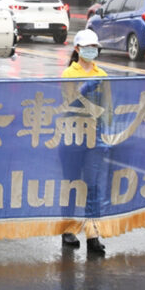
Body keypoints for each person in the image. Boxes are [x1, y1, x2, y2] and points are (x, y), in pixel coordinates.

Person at [59, 29, 107, 255]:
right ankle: (68, 229)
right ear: (77, 49)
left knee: (93, 185)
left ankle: (93, 234)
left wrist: (108, 132)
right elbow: (69, 101)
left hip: (95, 137)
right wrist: (85, 87)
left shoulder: (102, 73)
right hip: (72, 135)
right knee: (71, 183)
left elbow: (108, 107)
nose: (92, 50)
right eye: (88, 46)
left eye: (95, 47)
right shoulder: (70, 72)